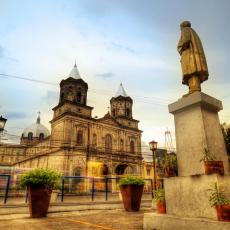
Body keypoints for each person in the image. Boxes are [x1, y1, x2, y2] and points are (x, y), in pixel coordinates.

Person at [177, 21, 209, 94]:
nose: (180, 29)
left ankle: (194, 88)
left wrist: (181, 49)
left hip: (189, 54)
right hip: (193, 54)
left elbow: (186, 40)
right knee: (192, 72)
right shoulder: (194, 32)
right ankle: (194, 87)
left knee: (191, 71)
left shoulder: (186, 30)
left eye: (180, 28)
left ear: (182, 26)